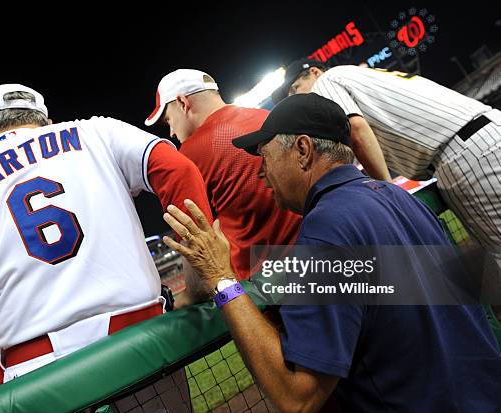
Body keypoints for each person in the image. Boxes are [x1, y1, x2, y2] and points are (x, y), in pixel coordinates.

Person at [161, 93, 501, 412]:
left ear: (303, 150)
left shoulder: (327, 227)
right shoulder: (397, 196)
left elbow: (298, 399)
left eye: (264, 156)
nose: (261, 172)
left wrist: (222, 278)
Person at [0, 84, 213, 392]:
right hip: (140, 341)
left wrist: (3, 395)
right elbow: (177, 170)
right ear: (47, 121)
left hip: (38, 373)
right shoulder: (96, 132)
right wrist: (199, 279)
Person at [271, 58, 501, 249]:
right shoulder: (355, 75)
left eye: (296, 89)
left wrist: (389, 195)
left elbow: (357, 131)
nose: (297, 99)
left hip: (467, 152)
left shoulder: (326, 81)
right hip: (479, 138)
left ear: (314, 71)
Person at [144, 69, 303, 295]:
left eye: (168, 119)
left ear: (182, 103)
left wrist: (187, 299)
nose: (170, 131)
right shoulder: (266, 116)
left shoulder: (189, 157)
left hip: (266, 291)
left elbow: (196, 249)